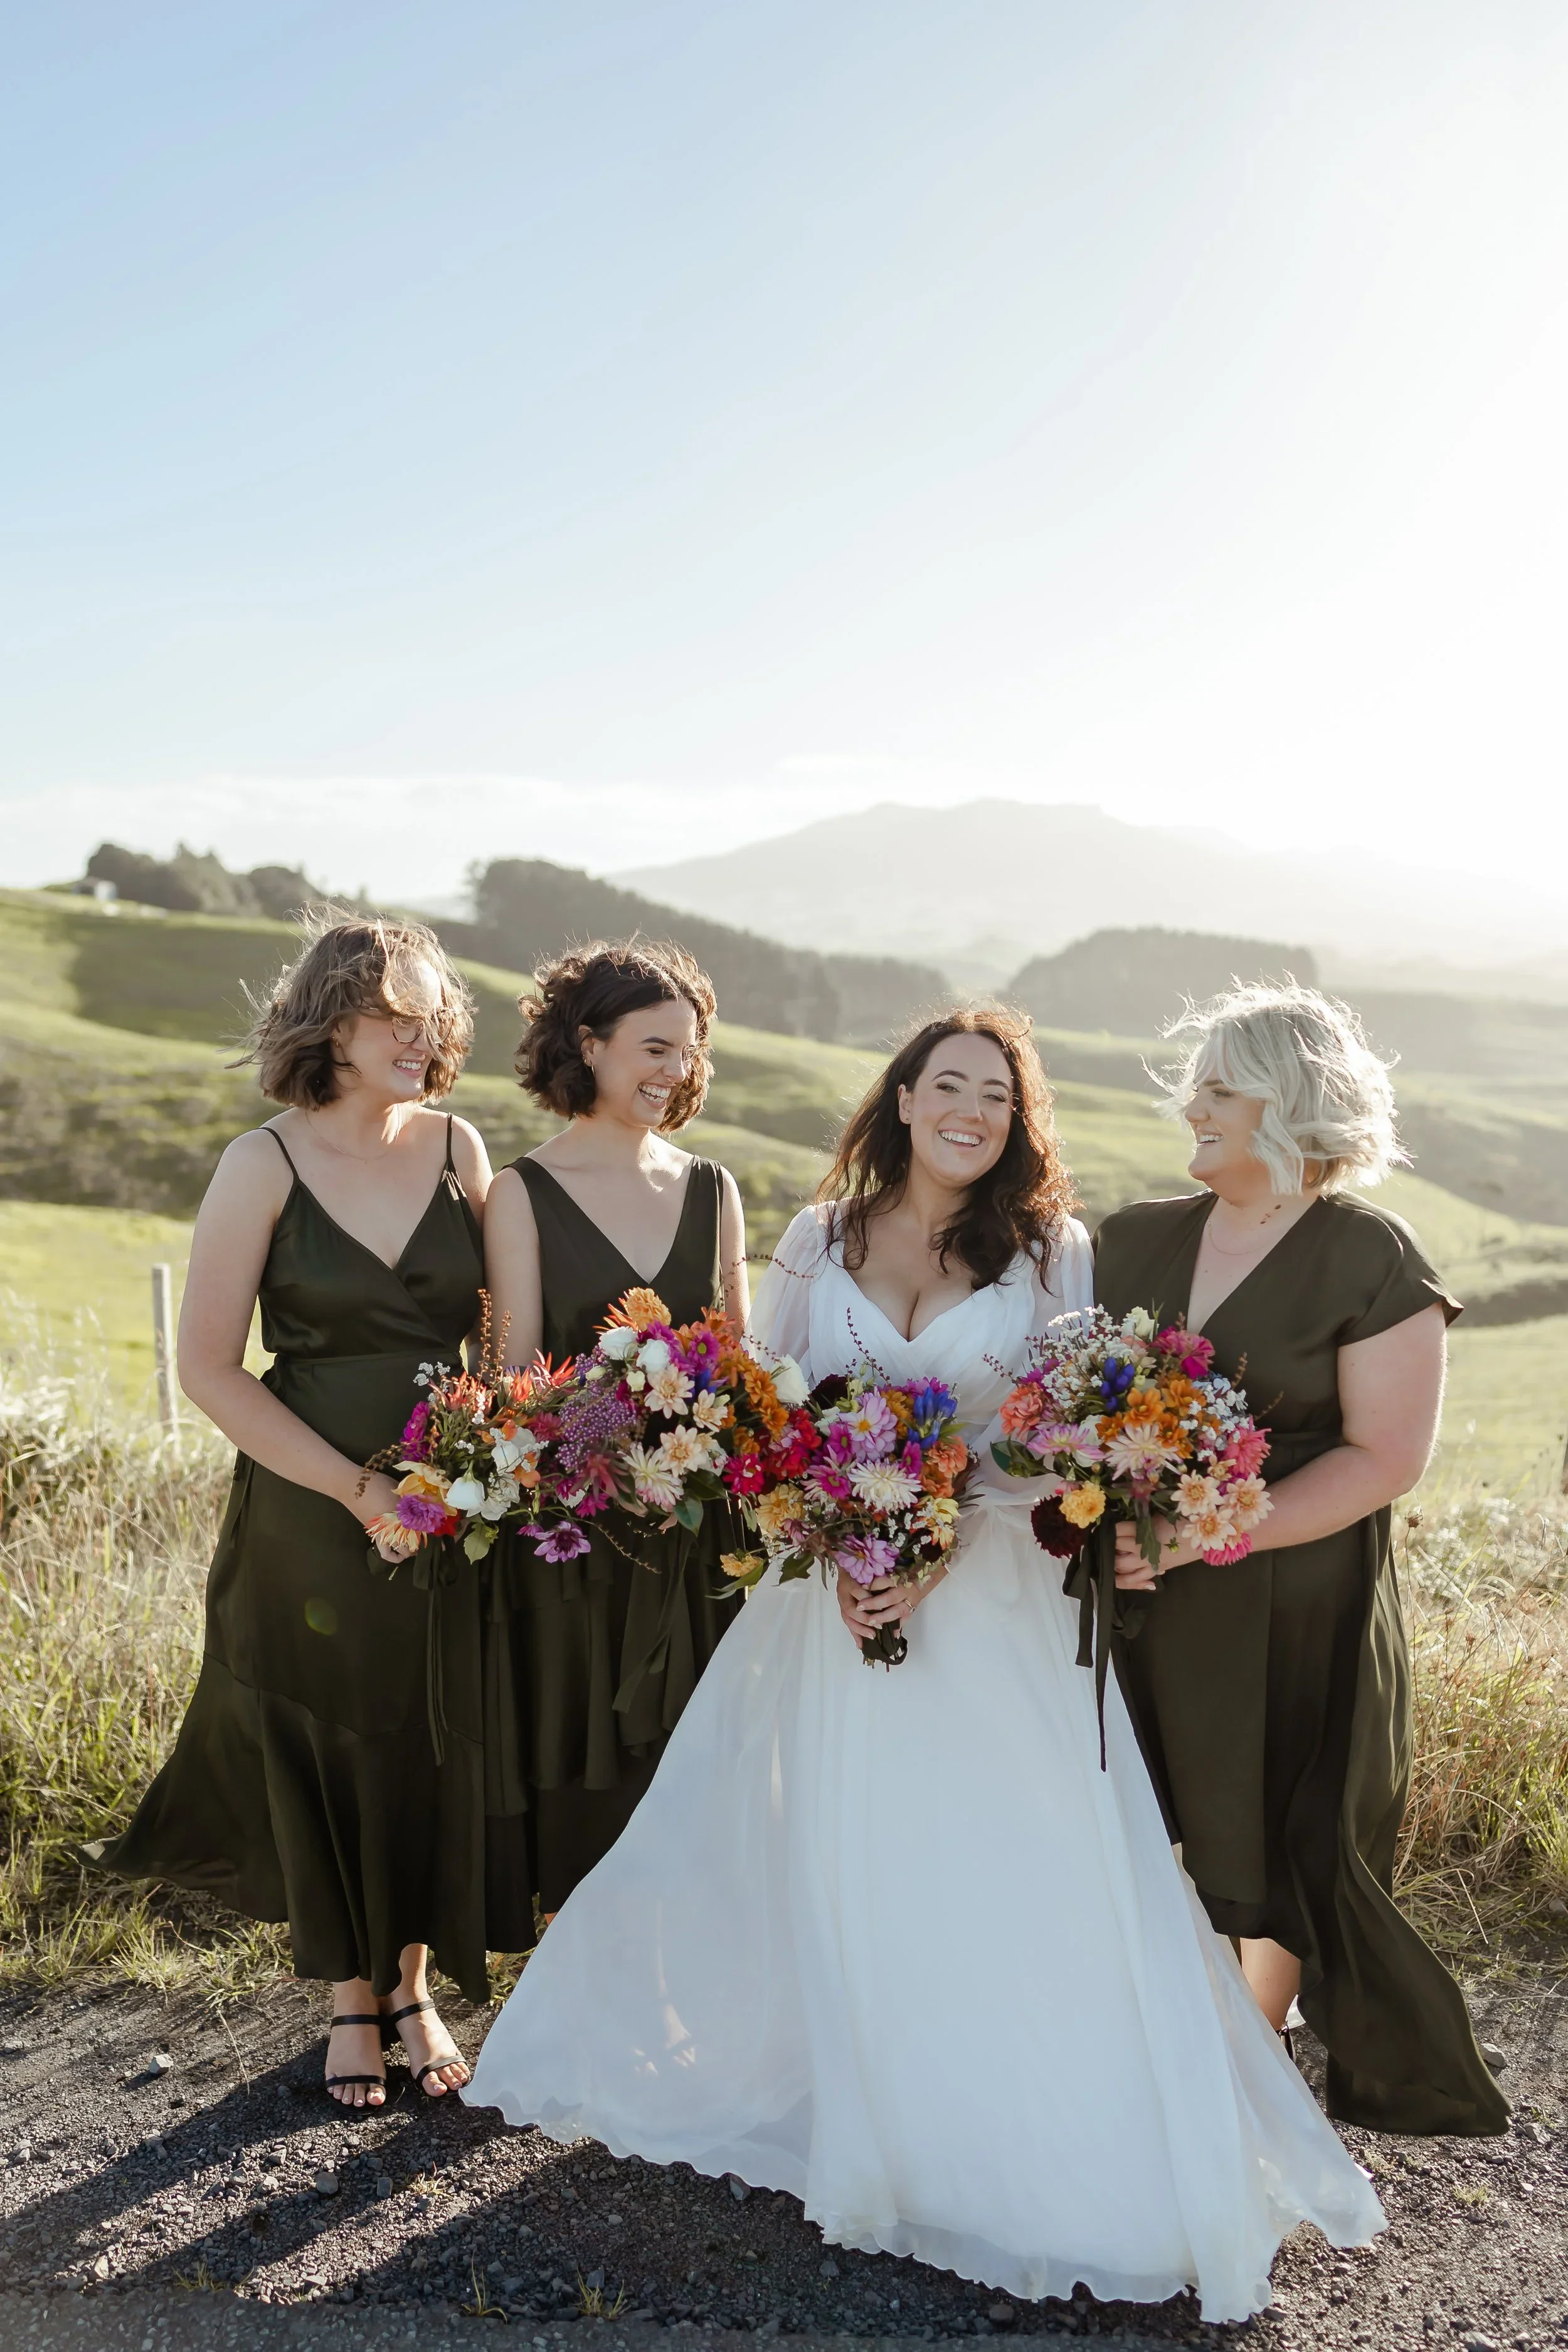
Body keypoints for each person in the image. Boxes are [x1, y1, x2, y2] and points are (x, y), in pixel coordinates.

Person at [467, 1010, 1383, 2324]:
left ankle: (1023, 2134)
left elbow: (1053, 1438)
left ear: (1017, 1125)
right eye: (943, 1085)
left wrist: (943, 1531)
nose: (968, 1111)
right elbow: (773, 1421)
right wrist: (836, 1536)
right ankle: (873, 2121)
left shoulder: (1048, 1250)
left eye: (995, 1099)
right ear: (899, 1100)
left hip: (997, 1605)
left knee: (1014, 1863)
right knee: (857, 1858)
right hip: (833, 1604)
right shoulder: (813, 1237)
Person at [92, 916, 492, 2109]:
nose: (419, 1037)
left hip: (452, 1503)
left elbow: (506, 1338)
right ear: (332, 1019)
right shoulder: (259, 1163)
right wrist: (359, 1487)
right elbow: (209, 1366)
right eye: (392, 1014)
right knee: (327, 1737)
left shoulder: (463, 1146)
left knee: (430, 1736)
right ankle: (347, 1998)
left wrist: (467, 1471)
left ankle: (413, 1984)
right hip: (309, 1505)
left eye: (433, 1016)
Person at [1095, 983, 1507, 2137]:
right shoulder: (1132, 1238)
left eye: (1224, 1085)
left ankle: (1251, 2071)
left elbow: (1384, 1457)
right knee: (1145, 1810)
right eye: (1200, 1082)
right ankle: (1149, 2053)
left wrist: (1201, 1534)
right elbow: (1073, 1410)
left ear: (1297, 1103)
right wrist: (1109, 1533)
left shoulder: (1370, 1256)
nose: (1197, 1103)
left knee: (1278, 1819)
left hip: (1296, 1595)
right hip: (1138, 1596)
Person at [479, 940, 748, 1946]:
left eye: (687, 1050)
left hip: (693, 1535)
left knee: (693, 1764)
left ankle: (680, 1987)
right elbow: (514, 1379)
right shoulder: (521, 1191)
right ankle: (578, 1981)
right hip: (579, 1531)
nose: (673, 1071)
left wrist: (697, 1448)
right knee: (584, 1768)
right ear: (586, 1045)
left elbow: (737, 1363)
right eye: (651, 1046)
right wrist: (597, 1459)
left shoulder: (712, 1186)